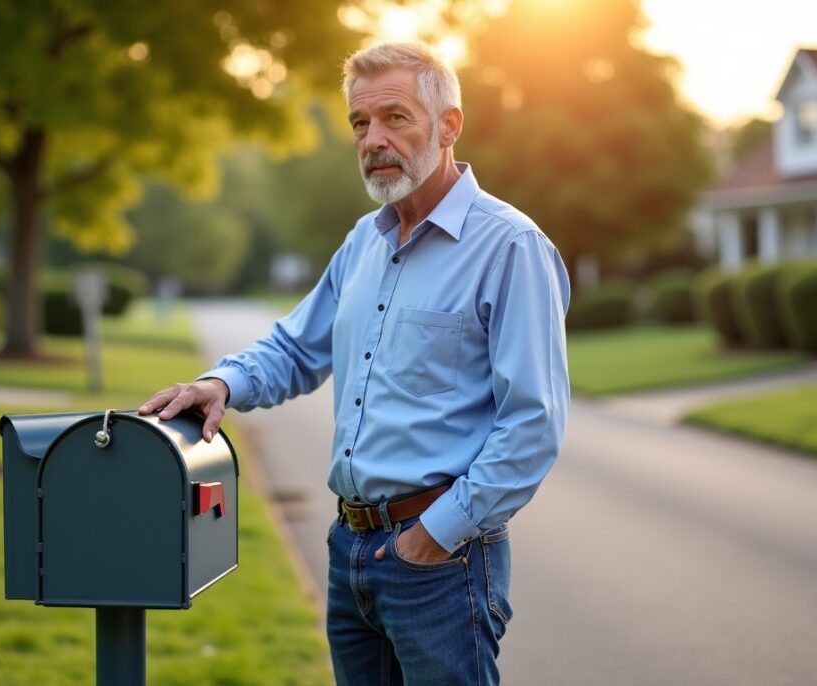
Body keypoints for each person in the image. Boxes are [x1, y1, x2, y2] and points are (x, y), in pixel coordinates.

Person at [139, 41, 570, 686]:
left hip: (440, 563)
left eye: (395, 117)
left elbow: (532, 422)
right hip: (350, 553)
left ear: (449, 125)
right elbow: (294, 347)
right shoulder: (362, 244)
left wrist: (434, 536)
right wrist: (221, 382)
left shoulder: (510, 247)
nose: (373, 139)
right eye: (359, 124)